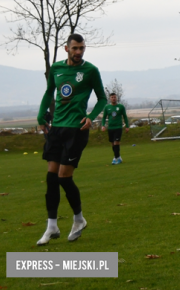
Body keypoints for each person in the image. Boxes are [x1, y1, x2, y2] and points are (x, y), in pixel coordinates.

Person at [36, 33, 106, 246]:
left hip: (76, 130)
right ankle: (52, 226)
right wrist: (41, 115)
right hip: (56, 128)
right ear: (66, 49)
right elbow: (49, 93)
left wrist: (91, 117)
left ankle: (78, 219)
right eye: (75, 48)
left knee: (64, 177)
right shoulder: (56, 69)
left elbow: (102, 98)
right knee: (51, 177)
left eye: (82, 48)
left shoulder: (90, 70)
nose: (78, 52)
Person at [100, 93, 129, 164]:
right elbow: (104, 117)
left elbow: (125, 116)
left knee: (116, 142)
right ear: (110, 98)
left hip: (118, 127)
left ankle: (116, 158)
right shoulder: (107, 107)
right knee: (112, 143)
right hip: (110, 128)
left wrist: (127, 126)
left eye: (115, 97)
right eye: (112, 97)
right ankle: (118, 157)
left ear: (116, 98)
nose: (113, 98)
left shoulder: (121, 106)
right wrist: (103, 125)